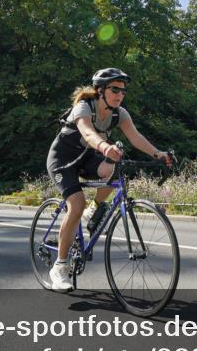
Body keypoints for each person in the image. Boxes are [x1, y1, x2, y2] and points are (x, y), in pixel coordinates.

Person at [45, 68, 172, 292]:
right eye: (115, 89)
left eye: (123, 91)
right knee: (76, 203)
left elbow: (135, 137)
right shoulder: (84, 106)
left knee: (112, 166)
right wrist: (105, 147)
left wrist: (158, 154)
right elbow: (87, 133)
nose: (120, 95)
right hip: (63, 160)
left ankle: (95, 208)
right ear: (100, 90)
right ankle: (60, 267)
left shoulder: (119, 114)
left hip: (86, 158)